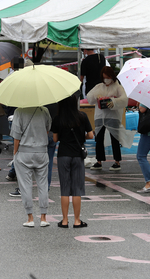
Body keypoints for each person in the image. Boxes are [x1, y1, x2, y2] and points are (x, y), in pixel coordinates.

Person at [52, 94, 94, 228]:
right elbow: (91, 135)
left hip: (63, 154)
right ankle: (77, 220)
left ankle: (64, 221)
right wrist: (82, 137)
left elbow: (54, 139)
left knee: (64, 188)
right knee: (77, 189)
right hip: (77, 155)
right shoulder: (82, 116)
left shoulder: (58, 119)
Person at [11, 105, 52, 227]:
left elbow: (16, 136)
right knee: (43, 184)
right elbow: (47, 129)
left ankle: (30, 218)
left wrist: (15, 154)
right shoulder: (44, 110)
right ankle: (44, 217)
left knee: (25, 186)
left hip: (24, 152)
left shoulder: (19, 111)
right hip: (41, 151)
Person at [86, 66, 130, 171]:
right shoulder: (99, 87)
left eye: (108, 77)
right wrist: (96, 97)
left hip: (113, 116)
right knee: (99, 139)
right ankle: (99, 161)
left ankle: (117, 161)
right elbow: (89, 97)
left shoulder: (118, 87)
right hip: (100, 117)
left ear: (112, 76)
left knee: (115, 138)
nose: (106, 79)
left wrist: (114, 102)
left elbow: (124, 100)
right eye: (104, 77)